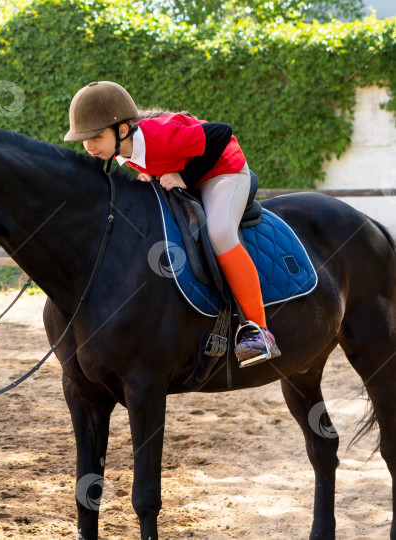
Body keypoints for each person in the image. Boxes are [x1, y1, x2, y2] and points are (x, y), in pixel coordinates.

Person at [64, 81, 280, 367]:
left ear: (123, 130)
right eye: (84, 138)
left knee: (219, 233)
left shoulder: (161, 137)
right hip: (183, 169)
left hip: (224, 169)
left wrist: (185, 178)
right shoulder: (117, 149)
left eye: (95, 137)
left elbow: (222, 132)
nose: (89, 146)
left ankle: (259, 330)